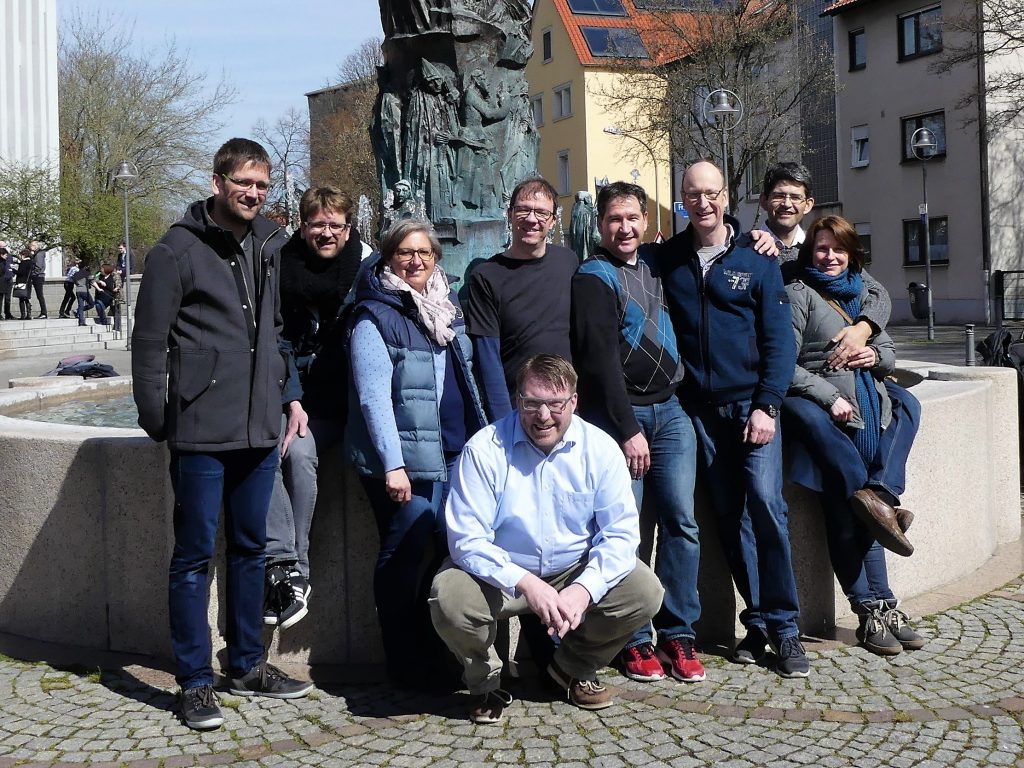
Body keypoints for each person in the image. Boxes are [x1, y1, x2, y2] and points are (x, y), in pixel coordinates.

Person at [132, 138, 312, 732]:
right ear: (218, 183)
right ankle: (194, 681)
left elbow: (278, 329)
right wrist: (158, 416)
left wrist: (287, 395)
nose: (254, 194)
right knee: (191, 559)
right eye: (244, 183)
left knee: (250, 550)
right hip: (201, 429)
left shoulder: (270, 243)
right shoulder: (176, 250)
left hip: (259, 428)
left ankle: (246, 665)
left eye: (262, 185)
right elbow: (149, 340)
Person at [429, 354, 664, 723]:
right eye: (532, 403)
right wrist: (526, 584)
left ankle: (571, 668)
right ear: (517, 399)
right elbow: (466, 540)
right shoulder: (484, 449)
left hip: (572, 570)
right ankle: (484, 683)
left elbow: (620, 535)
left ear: (573, 401)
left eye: (555, 404)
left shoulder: (600, 449)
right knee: (449, 598)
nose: (543, 416)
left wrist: (584, 589)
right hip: (500, 575)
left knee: (644, 591)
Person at [649, 160, 807, 678]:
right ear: (682, 199)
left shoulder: (757, 259)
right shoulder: (667, 259)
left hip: (752, 407)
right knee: (730, 517)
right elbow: (623, 255)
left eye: (711, 193)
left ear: (726, 197)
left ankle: (786, 629)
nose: (703, 203)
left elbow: (779, 341)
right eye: (692, 195)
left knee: (766, 507)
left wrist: (767, 405)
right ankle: (758, 620)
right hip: (699, 412)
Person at [346, 219, 489, 692]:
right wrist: (393, 464)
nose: (415, 262)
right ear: (387, 259)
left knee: (439, 557)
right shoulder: (374, 315)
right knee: (403, 558)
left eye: (424, 253)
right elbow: (373, 398)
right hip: (405, 461)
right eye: (404, 253)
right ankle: (404, 662)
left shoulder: (445, 309)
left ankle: (438, 656)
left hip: (450, 451)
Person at [570, 181, 703, 684]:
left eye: (632, 219)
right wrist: (627, 430)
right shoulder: (592, 276)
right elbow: (599, 361)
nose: (623, 228)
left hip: (671, 414)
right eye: (613, 220)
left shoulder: (655, 262)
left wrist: (762, 238)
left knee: (681, 524)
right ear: (599, 225)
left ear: (646, 221)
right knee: (625, 533)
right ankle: (635, 637)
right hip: (623, 421)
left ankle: (679, 633)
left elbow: (709, 233)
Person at [782, 215, 925, 655]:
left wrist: (873, 354)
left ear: (851, 253)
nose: (829, 257)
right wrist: (828, 396)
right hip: (830, 419)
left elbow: (890, 353)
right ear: (810, 253)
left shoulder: (865, 293)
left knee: (868, 505)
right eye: (821, 249)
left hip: (870, 410)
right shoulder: (798, 294)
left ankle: (884, 494)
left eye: (838, 249)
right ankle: (870, 610)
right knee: (848, 516)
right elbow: (784, 366)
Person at [262, 186, 365, 629]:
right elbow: (277, 338)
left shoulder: (365, 267)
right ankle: (289, 569)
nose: (327, 232)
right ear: (303, 227)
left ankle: (291, 570)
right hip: (300, 393)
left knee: (298, 452)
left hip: (346, 395)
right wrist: (292, 398)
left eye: (335, 225)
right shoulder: (279, 266)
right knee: (276, 449)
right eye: (317, 224)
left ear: (348, 227)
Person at [759, 162, 891, 373]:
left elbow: (878, 294)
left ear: (808, 204)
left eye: (795, 197)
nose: (786, 204)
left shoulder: (820, 250)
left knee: (905, 404)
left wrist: (862, 329)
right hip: (784, 370)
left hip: (836, 371)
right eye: (778, 196)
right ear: (764, 201)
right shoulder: (748, 249)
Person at [466, 177, 579, 419]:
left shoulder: (568, 262)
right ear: (510, 214)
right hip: (519, 409)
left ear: (553, 220)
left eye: (541, 213)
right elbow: (488, 358)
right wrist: (503, 422)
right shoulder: (486, 276)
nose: (531, 219)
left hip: (566, 406)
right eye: (523, 209)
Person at [94, 262, 122, 331]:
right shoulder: (98, 273)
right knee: (98, 305)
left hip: (113, 297)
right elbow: (93, 279)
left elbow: (119, 283)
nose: (101, 270)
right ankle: (103, 321)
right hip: (101, 297)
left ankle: (117, 327)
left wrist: (117, 288)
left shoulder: (114, 275)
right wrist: (100, 281)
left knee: (116, 311)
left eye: (102, 269)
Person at [28, 240, 47, 319]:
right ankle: (43, 312)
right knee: (39, 295)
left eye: (31, 245)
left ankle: (44, 312)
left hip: (38, 277)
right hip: (38, 276)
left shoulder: (39, 254)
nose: (29, 247)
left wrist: (33, 274)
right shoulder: (38, 254)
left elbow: (38, 266)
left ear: (35, 246)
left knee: (40, 295)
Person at [14, 249, 34, 320]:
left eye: (21, 255)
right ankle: (29, 314)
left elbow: (20, 272)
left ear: (24, 255)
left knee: (21, 299)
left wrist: (13, 270)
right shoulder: (31, 262)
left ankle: (23, 315)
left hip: (21, 282)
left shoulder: (23, 262)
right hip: (28, 282)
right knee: (26, 298)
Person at [0, 241, 15, 320]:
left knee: (8, 298)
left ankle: (8, 313)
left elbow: (11, 266)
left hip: (9, 279)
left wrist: (12, 274)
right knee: (0, 298)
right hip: (1, 279)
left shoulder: (9, 256)